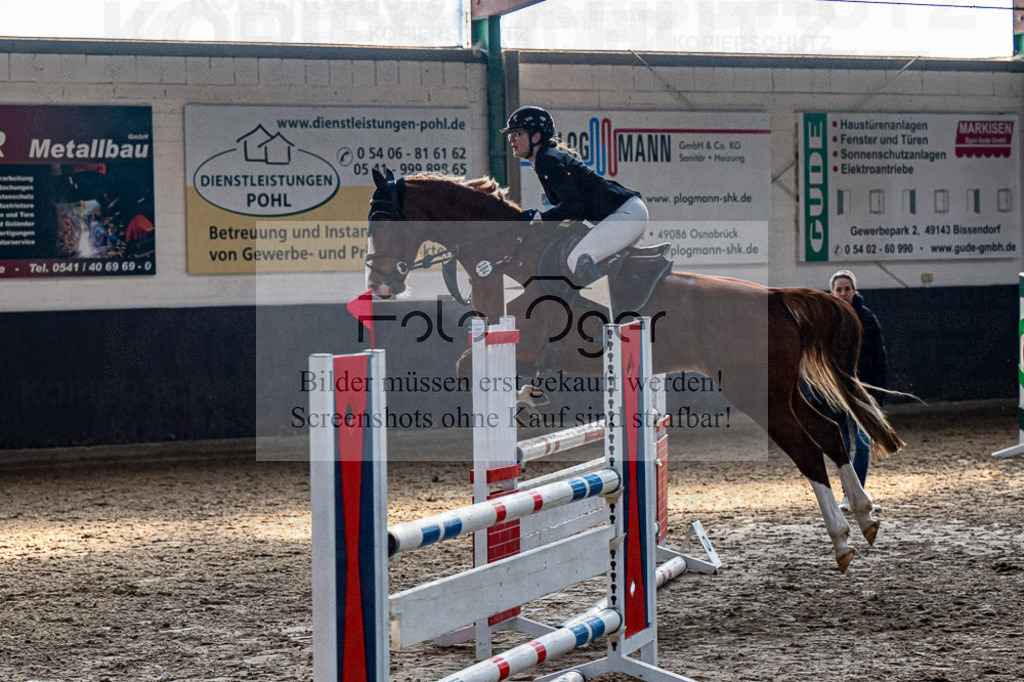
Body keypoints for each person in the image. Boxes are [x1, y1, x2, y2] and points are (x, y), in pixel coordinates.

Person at [500, 105, 649, 285]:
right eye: (511, 135)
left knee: (578, 259)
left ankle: (611, 312)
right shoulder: (546, 158)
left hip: (626, 215)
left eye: (517, 134)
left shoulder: (546, 160)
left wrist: (541, 217)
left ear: (536, 137)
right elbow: (574, 209)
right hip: (628, 213)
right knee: (597, 264)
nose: (512, 140)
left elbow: (574, 206)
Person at [829, 269, 888, 511]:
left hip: (863, 393)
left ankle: (857, 494)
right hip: (835, 393)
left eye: (847, 289)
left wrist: (877, 395)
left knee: (862, 444)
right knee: (842, 445)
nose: (843, 293)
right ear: (833, 292)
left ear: (854, 291)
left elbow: (880, 357)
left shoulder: (868, 318)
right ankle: (848, 495)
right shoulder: (827, 319)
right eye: (839, 289)